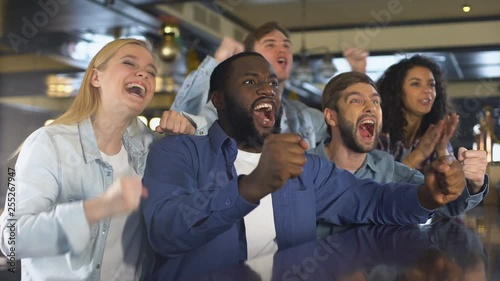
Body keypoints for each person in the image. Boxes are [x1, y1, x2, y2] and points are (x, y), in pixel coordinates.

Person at [141, 52, 467, 281]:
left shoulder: (304, 168)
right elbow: (166, 232)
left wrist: (426, 196)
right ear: (219, 99)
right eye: (251, 82)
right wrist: (251, 187)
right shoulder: (178, 151)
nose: (267, 89)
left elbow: (374, 201)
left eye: (271, 82)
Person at [0, 38, 194, 281]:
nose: (143, 74)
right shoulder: (50, 143)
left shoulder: (150, 147)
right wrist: (98, 208)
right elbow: (11, 238)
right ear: (95, 78)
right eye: (129, 63)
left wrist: (191, 125)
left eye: (151, 72)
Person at [308, 71, 489, 236]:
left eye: (375, 101)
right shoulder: (300, 170)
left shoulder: (392, 171)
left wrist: (473, 183)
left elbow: (444, 202)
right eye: (356, 100)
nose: (371, 108)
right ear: (331, 117)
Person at [168, 21, 328, 147]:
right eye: (270, 44)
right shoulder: (227, 108)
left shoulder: (303, 115)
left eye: (286, 45)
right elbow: (180, 123)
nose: (282, 50)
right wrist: (217, 60)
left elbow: (342, 126)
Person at [376, 55, 459, 171]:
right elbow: (379, 185)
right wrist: (419, 154)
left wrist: (442, 149)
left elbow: (453, 185)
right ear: (397, 91)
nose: (428, 90)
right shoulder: (378, 135)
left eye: (431, 84)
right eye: (416, 84)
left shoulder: (434, 134)